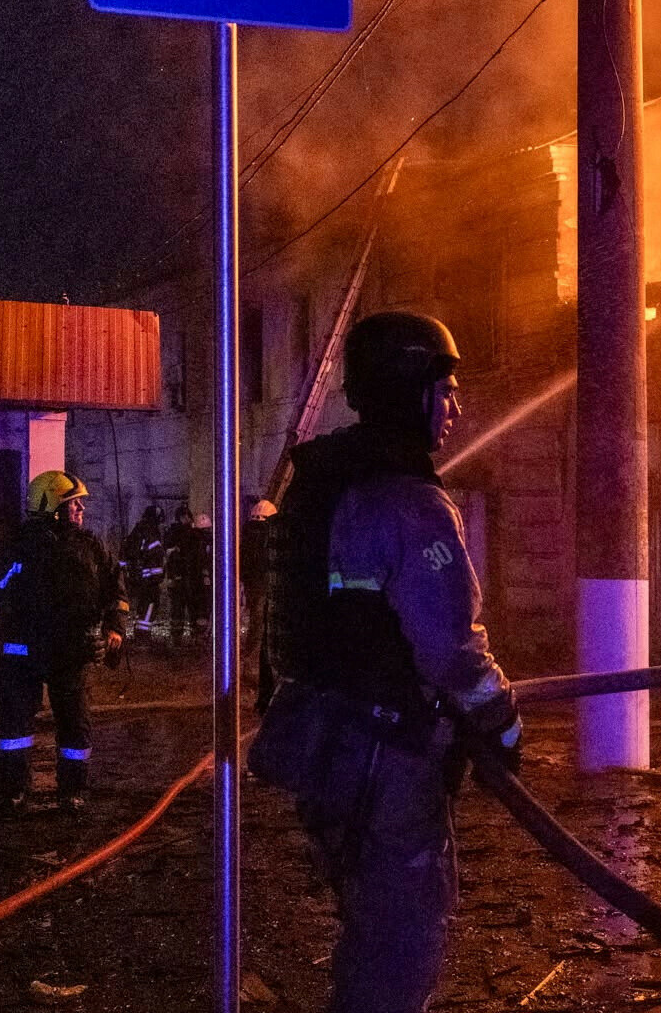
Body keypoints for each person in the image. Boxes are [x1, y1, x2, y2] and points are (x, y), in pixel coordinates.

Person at [249, 311, 522, 1013]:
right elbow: (451, 648)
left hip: (325, 746)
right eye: (448, 388)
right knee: (403, 935)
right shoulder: (407, 500)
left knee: (369, 923)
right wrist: (501, 719)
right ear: (414, 392)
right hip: (384, 753)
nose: (457, 407)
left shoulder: (320, 483)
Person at [0, 471, 129, 816]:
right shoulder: (21, 549)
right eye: (72, 503)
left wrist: (115, 628)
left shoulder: (91, 547)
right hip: (24, 653)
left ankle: (73, 792)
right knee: (14, 729)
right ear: (50, 507)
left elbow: (116, 592)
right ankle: (13, 793)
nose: (80, 509)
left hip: (71, 653)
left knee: (75, 726)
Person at [242, 498, 277, 710]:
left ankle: (247, 664)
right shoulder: (269, 535)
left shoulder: (247, 534)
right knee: (262, 626)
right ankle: (253, 667)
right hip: (265, 586)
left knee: (256, 623)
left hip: (252, 585)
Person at [120, 505, 166, 639]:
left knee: (139, 604)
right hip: (148, 578)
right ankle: (143, 634)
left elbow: (124, 552)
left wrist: (124, 571)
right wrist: (157, 577)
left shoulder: (136, 531)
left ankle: (136, 633)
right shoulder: (151, 533)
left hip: (133, 576)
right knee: (151, 602)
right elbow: (155, 556)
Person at [167, 507, 210, 638]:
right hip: (194, 580)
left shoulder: (175, 535)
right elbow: (201, 560)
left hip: (181, 579)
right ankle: (198, 635)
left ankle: (177, 636)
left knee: (179, 610)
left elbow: (172, 557)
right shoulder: (198, 539)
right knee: (197, 609)